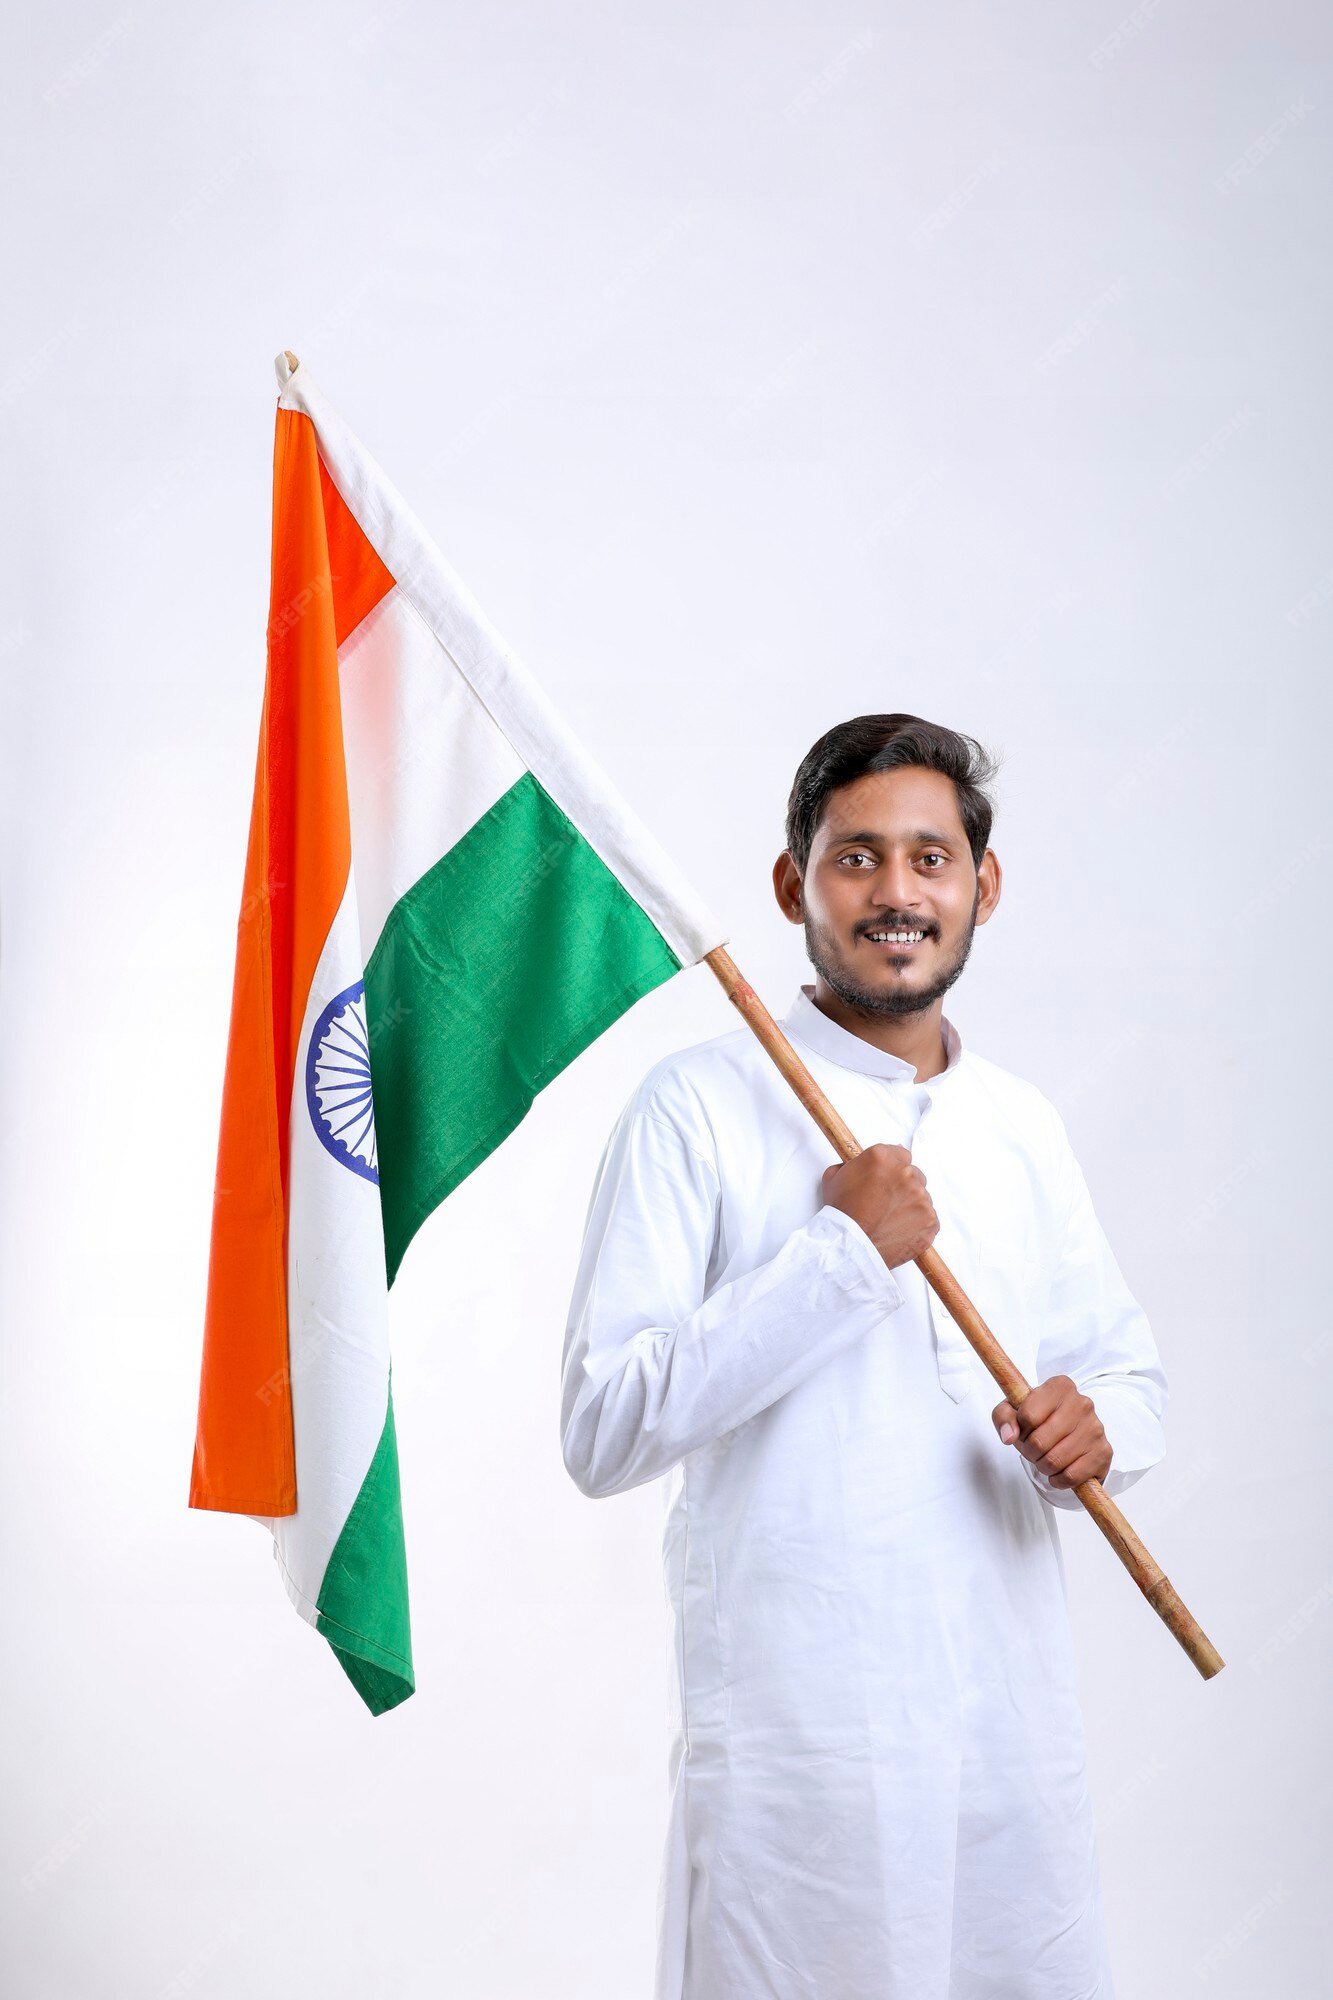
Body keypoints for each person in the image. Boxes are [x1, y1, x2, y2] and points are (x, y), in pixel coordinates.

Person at [560, 713, 1168, 2000]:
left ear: (981, 886)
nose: (896, 891)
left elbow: (1122, 1372)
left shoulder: (1019, 1124)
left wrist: (1097, 1430)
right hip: (802, 1748)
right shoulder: (699, 1105)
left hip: (1009, 1733)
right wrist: (835, 1254)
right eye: (855, 857)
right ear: (793, 882)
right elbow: (603, 1422)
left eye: (930, 858)